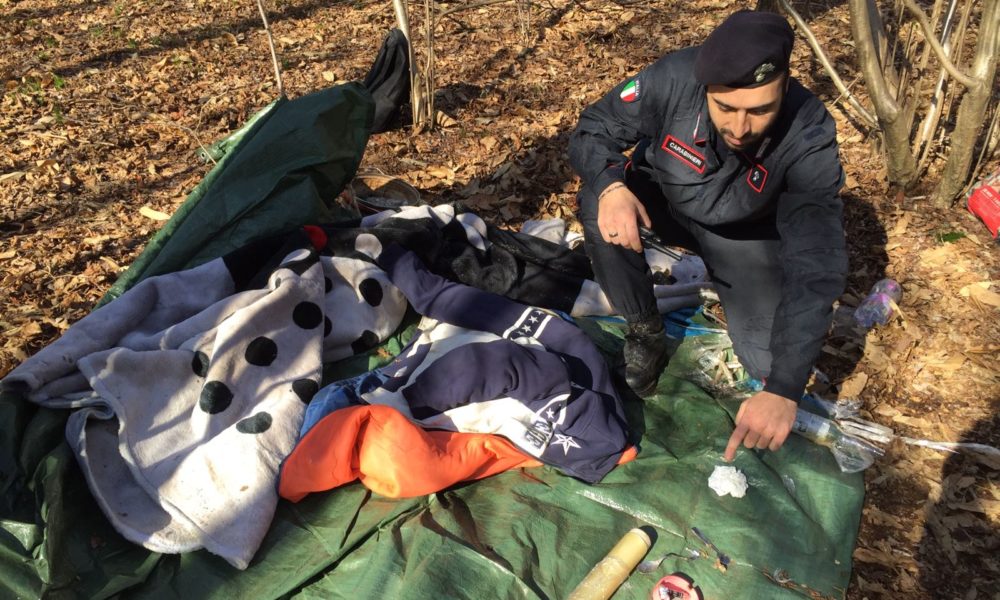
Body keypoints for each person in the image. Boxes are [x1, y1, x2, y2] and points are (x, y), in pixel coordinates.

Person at [567, 10, 847, 461]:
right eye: (726, 108)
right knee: (599, 202)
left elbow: (816, 263)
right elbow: (592, 129)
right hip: (663, 202)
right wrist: (613, 187)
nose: (740, 128)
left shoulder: (809, 132)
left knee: (770, 365)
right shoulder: (673, 78)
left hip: (743, 236)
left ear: (784, 87)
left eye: (760, 111)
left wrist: (784, 389)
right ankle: (645, 330)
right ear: (706, 89)